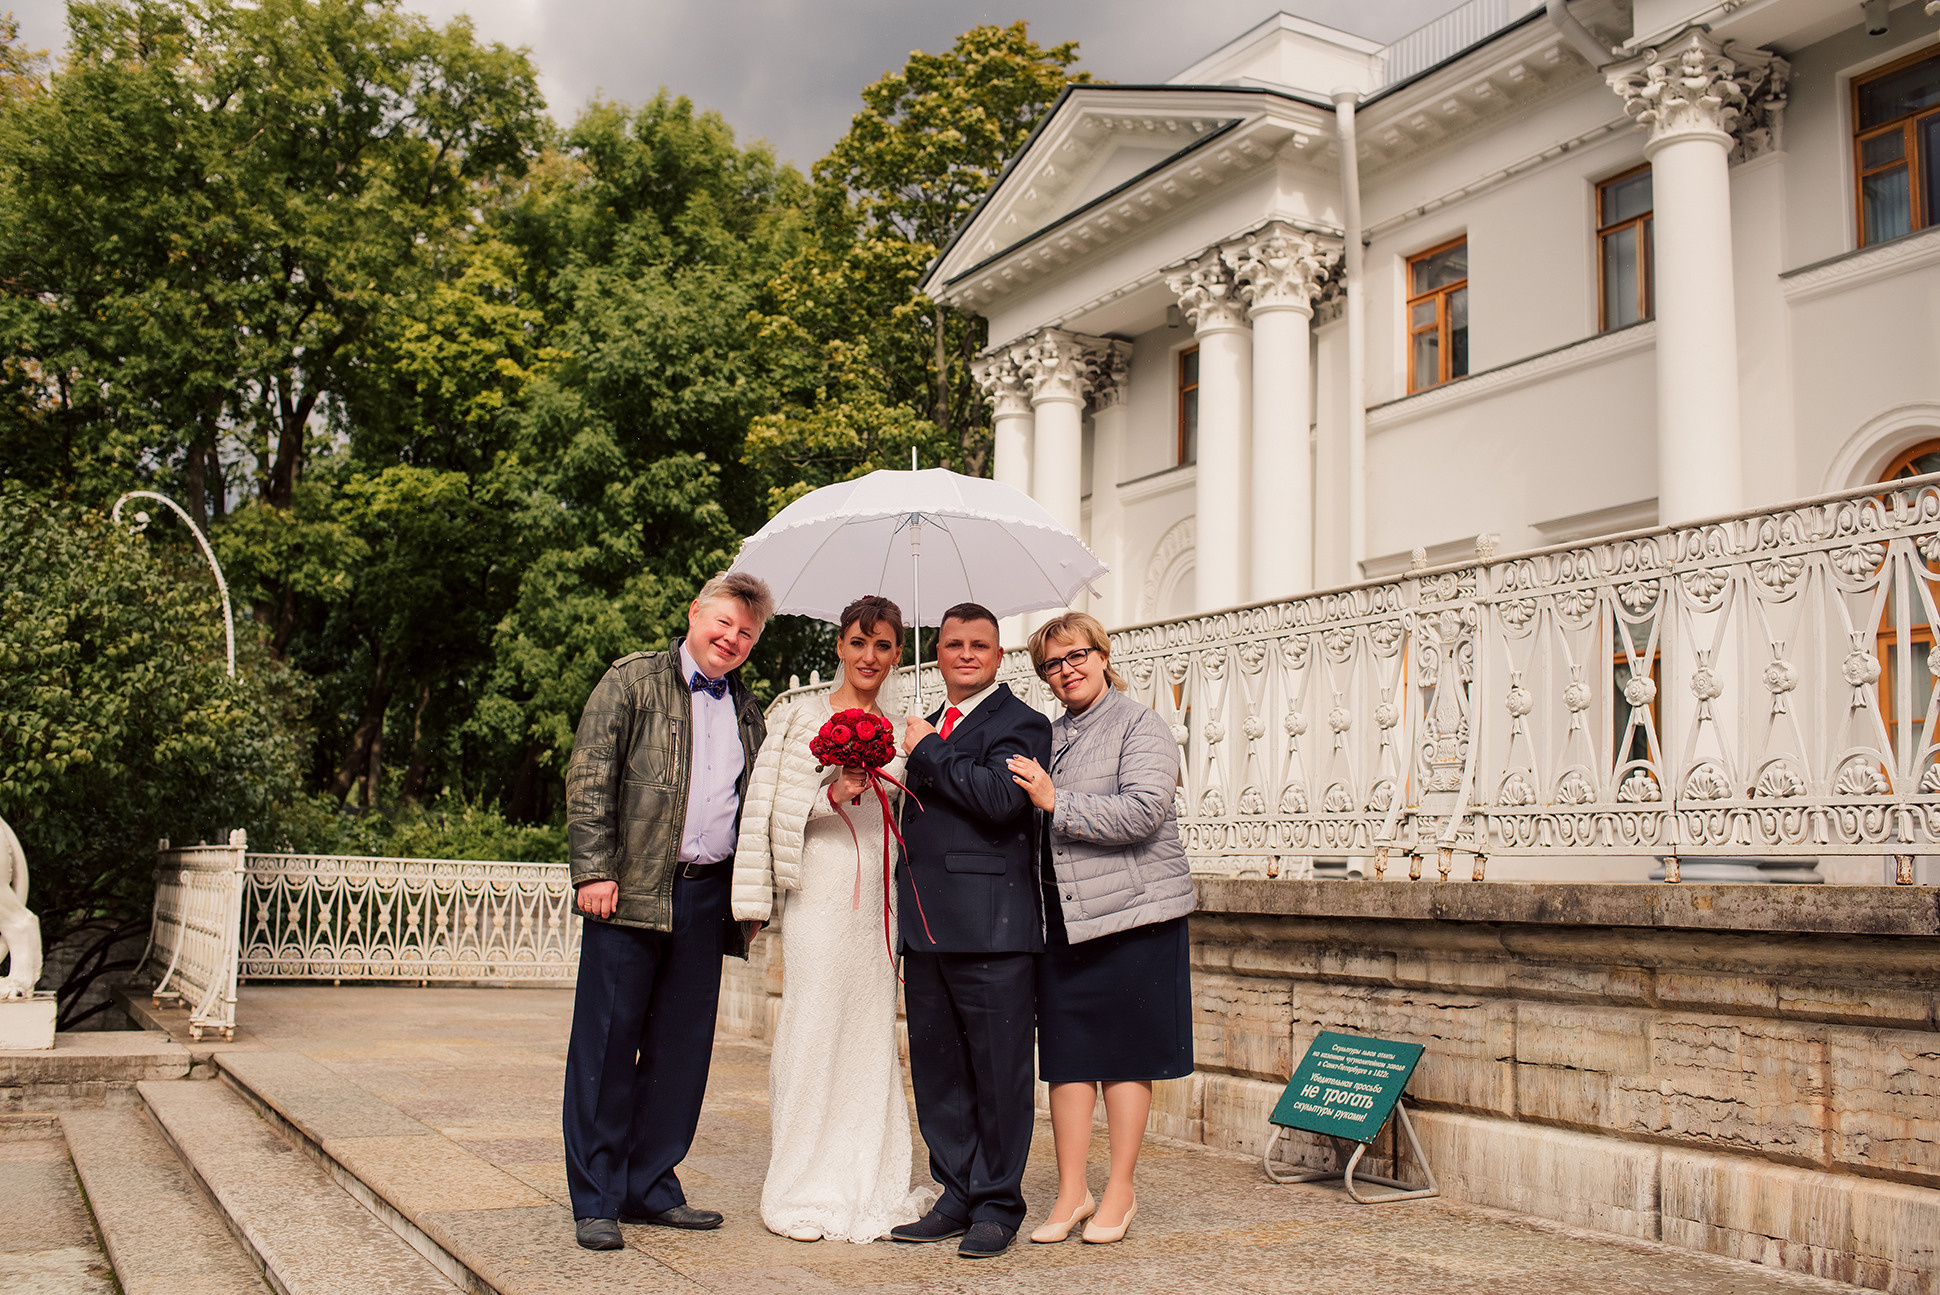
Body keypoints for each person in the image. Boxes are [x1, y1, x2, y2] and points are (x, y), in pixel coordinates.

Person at [560, 571, 774, 1253]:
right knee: (607, 1044)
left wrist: (752, 897)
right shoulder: (633, 680)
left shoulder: (748, 708)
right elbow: (590, 775)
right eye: (724, 623)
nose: (731, 639)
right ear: (694, 614)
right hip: (630, 889)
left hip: (708, 894)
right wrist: (594, 869)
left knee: (682, 1049)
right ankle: (596, 1196)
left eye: (746, 632)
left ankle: (650, 1184)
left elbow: (757, 807)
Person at [730, 595, 933, 1243]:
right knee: (812, 1024)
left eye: (882, 645)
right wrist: (832, 792)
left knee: (870, 1031)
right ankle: (797, 1180)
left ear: (897, 652)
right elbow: (769, 810)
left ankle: (864, 1173)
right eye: (857, 642)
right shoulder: (798, 717)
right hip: (817, 893)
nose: (868, 656)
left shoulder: (906, 728)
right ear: (838, 647)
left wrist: (918, 754)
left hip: (878, 898)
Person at [1005, 611, 1193, 1247]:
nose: (1066, 670)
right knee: (1066, 1057)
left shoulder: (1141, 724)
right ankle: (1070, 1189)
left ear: (1102, 655)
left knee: (1125, 1056)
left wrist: (1056, 802)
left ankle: (1119, 1187)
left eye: (1076, 655)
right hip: (1064, 919)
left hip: (1136, 916)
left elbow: (1144, 811)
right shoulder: (1046, 735)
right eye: (1052, 665)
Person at [888, 603, 1054, 1261]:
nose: (963, 653)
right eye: (952, 643)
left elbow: (996, 798)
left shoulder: (1023, 723)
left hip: (993, 930)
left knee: (998, 1071)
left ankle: (996, 1202)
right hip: (926, 927)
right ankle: (954, 1190)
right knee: (938, 1071)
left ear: (998, 655)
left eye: (977, 644)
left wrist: (927, 749)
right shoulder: (925, 721)